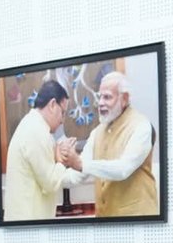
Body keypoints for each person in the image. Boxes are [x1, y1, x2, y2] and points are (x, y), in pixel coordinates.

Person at [55, 72, 159, 218]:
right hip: (106, 222)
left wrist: (80, 163)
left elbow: (123, 169)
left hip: (138, 221)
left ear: (124, 98)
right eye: (100, 97)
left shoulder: (141, 126)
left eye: (107, 97)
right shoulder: (96, 133)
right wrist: (49, 175)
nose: (100, 103)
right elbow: (77, 175)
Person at [2, 80, 84, 221]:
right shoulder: (36, 131)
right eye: (62, 113)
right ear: (52, 105)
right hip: (29, 222)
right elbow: (50, 183)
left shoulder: (34, 126)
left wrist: (57, 155)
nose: (62, 120)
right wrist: (61, 161)